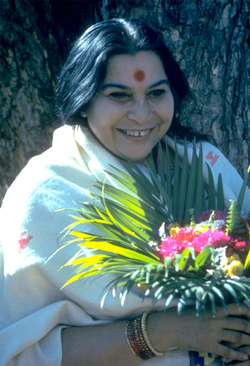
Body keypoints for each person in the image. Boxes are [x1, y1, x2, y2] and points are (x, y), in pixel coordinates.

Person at [0, 18, 250, 366]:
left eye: (156, 93)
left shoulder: (204, 164)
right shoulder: (46, 195)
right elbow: (18, 352)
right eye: (119, 95)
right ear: (83, 99)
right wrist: (166, 332)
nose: (141, 114)